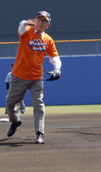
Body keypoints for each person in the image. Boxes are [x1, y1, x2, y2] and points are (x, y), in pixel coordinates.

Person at [5, 11, 62, 144]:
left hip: (36, 78)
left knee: (39, 104)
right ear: (35, 21)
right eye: (39, 20)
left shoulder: (48, 39)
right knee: (10, 103)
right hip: (19, 76)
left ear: (48, 25)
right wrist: (26, 22)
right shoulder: (27, 32)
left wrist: (57, 69)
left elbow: (54, 57)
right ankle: (15, 121)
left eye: (44, 21)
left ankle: (39, 133)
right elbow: (20, 26)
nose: (41, 23)